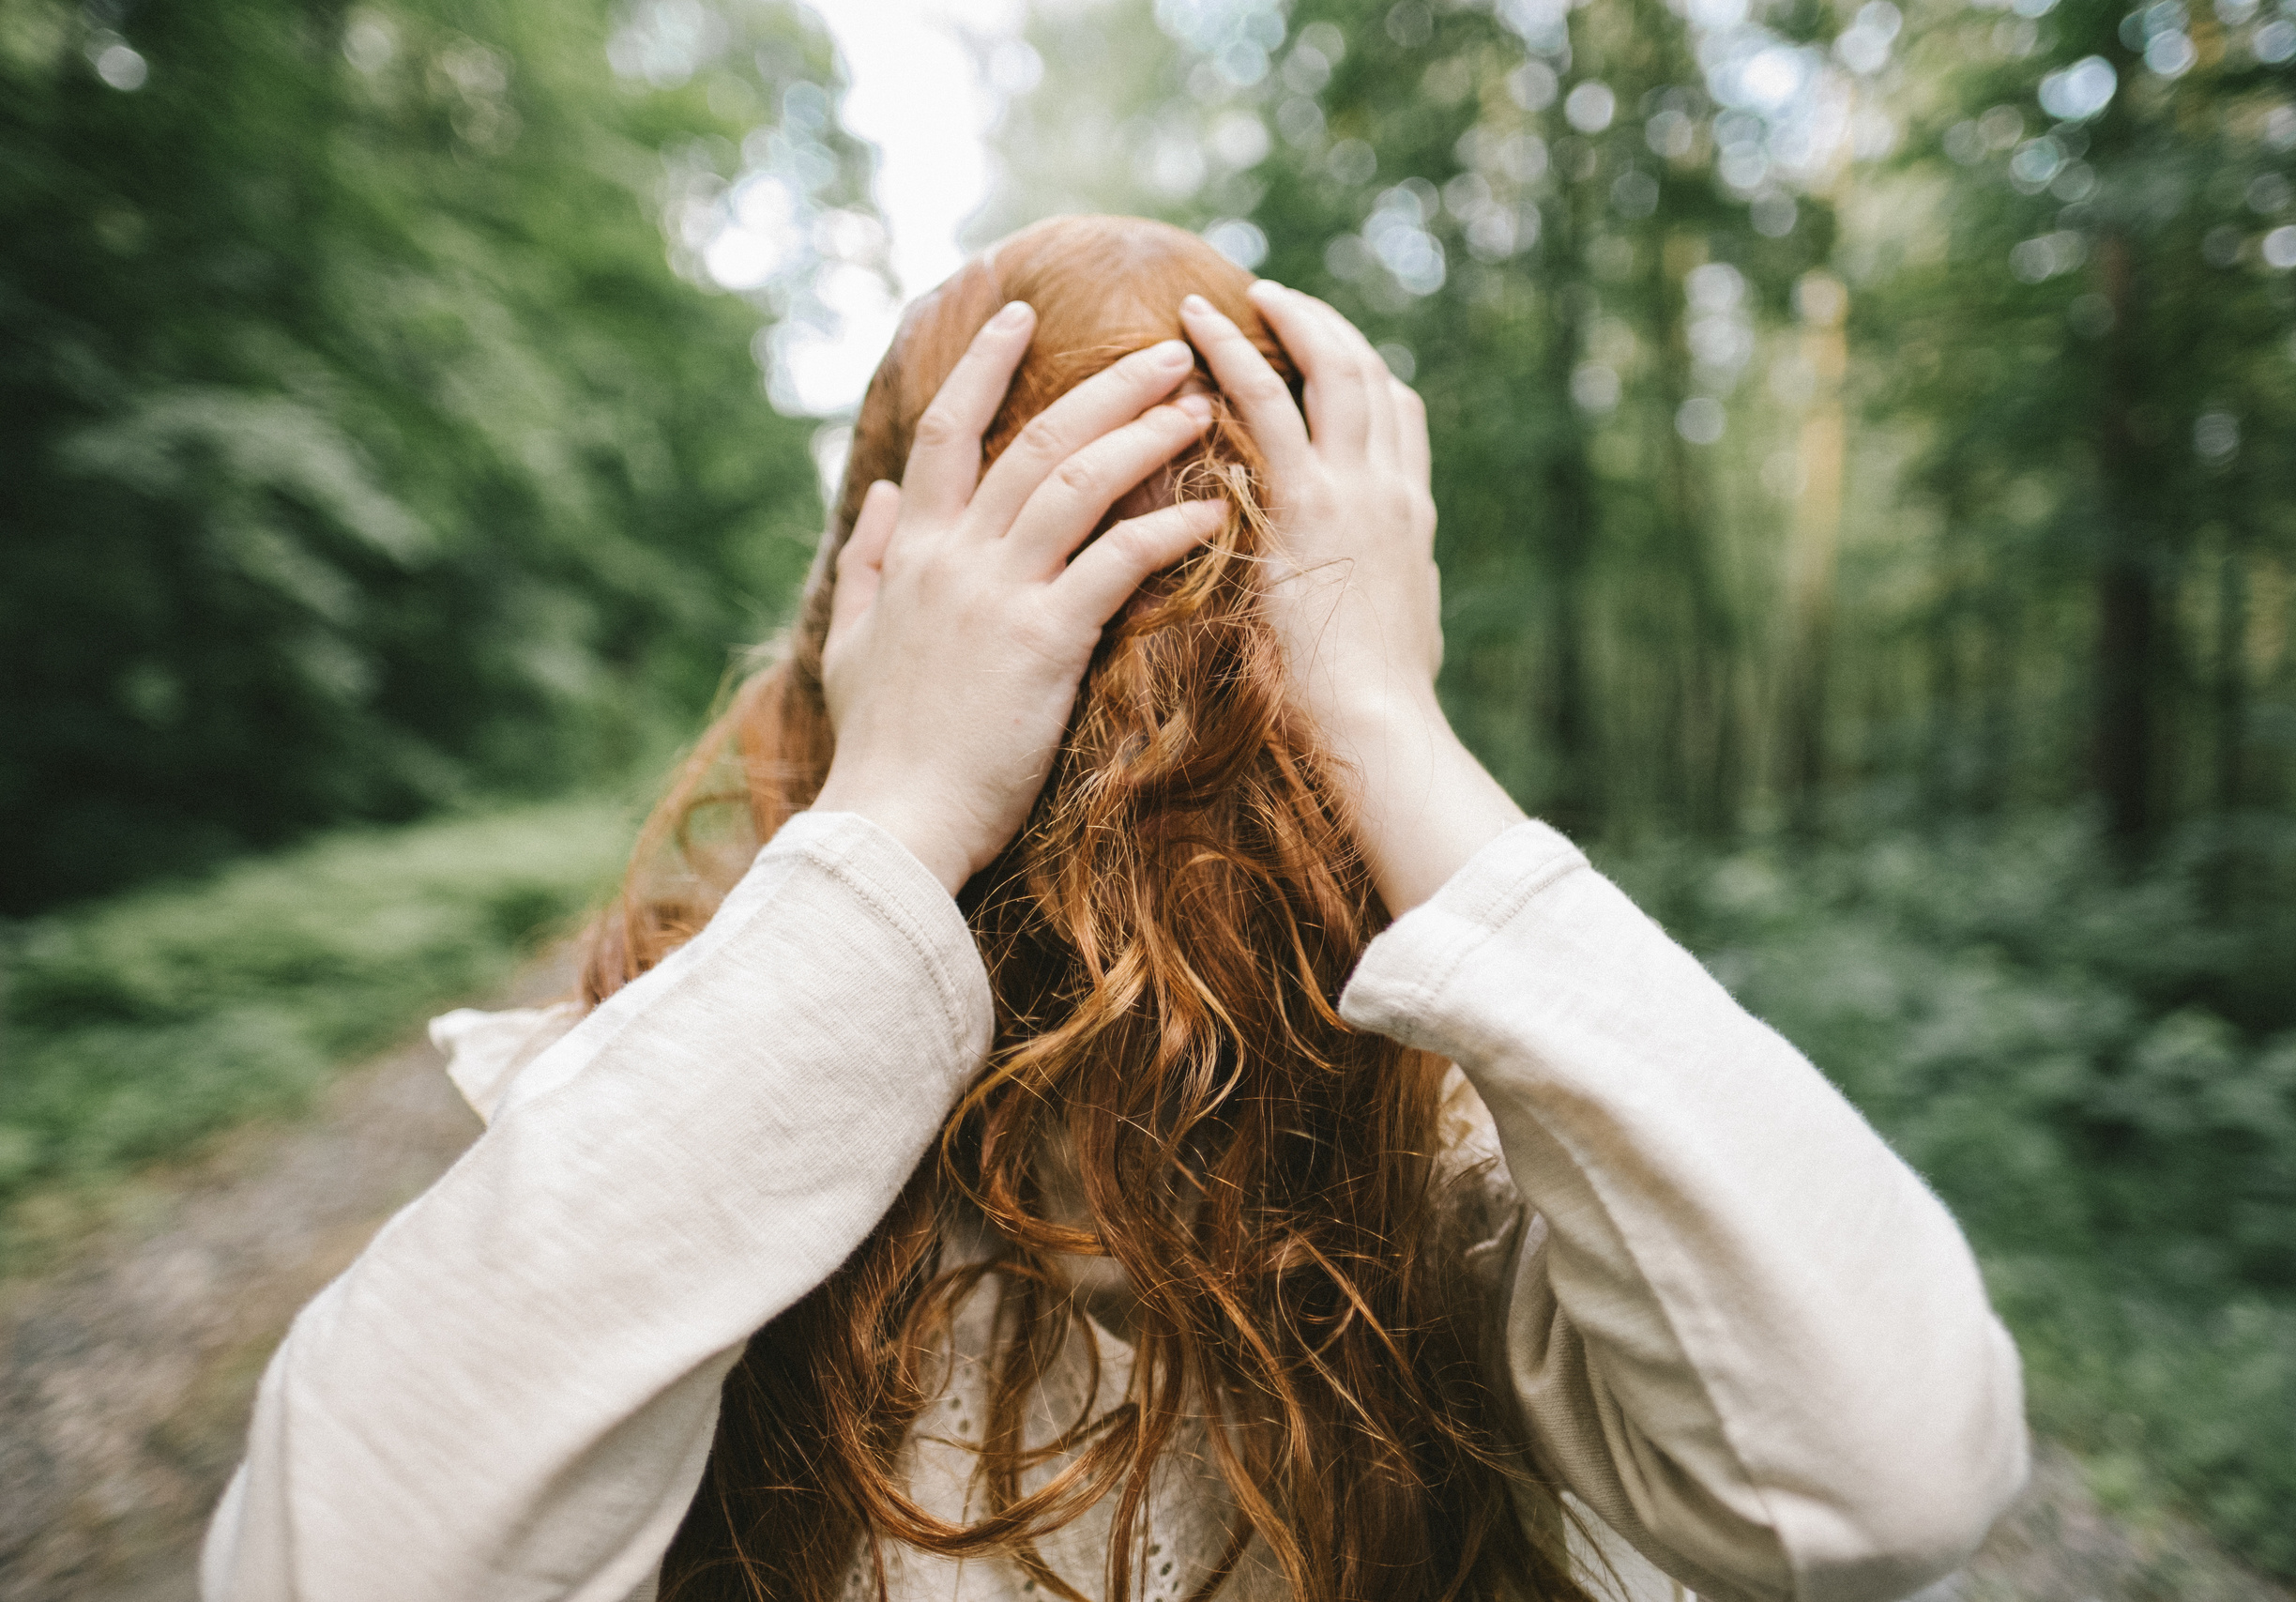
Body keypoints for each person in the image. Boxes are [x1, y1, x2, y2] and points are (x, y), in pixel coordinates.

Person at [201, 216, 2027, 1602]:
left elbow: (1881, 1476)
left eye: (1221, 665)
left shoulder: (1450, 1188)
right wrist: (895, 821)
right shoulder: (671, 1126)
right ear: (876, 650)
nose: (1130, 766)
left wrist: (1387, 722)